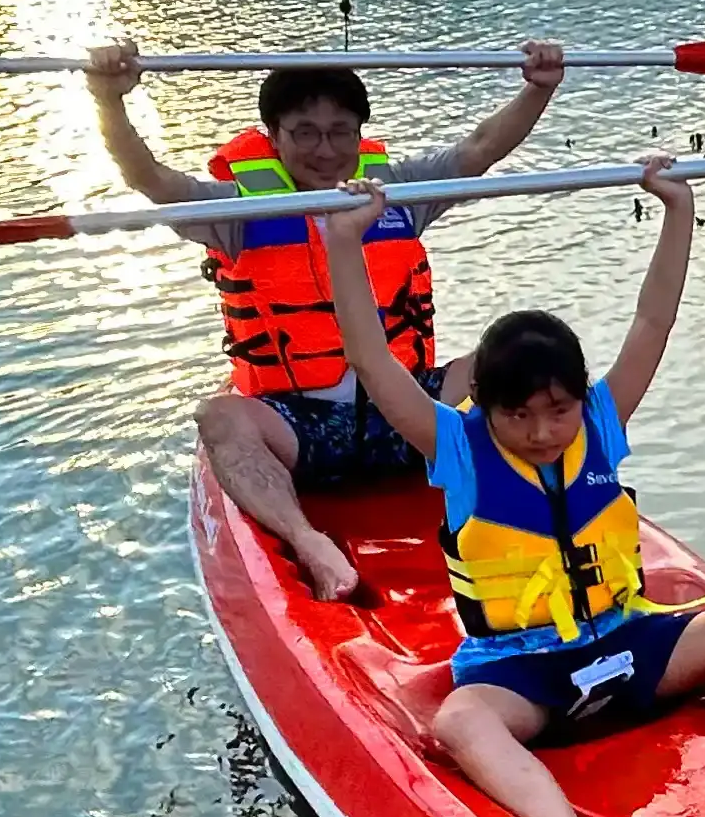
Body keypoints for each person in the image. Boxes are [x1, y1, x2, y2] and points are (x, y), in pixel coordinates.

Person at [306, 160, 705, 817]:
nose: (541, 431)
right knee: (461, 723)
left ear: (580, 399)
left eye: (557, 410)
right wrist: (345, 243)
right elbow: (372, 361)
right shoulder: (458, 449)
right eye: (518, 414)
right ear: (485, 405)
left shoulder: (603, 420)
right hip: (524, 674)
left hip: (624, 643)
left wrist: (676, 209)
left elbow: (653, 319)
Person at [87, 36, 564, 602]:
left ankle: (542, 504)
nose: (325, 148)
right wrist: (109, 101)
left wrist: (538, 88)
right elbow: (153, 180)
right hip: (302, 425)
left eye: (341, 131)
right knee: (220, 418)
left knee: (510, 366)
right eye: (305, 133)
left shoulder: (399, 195)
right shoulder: (236, 211)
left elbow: (480, 149)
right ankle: (306, 539)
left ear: (359, 135)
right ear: (273, 137)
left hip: (408, 414)